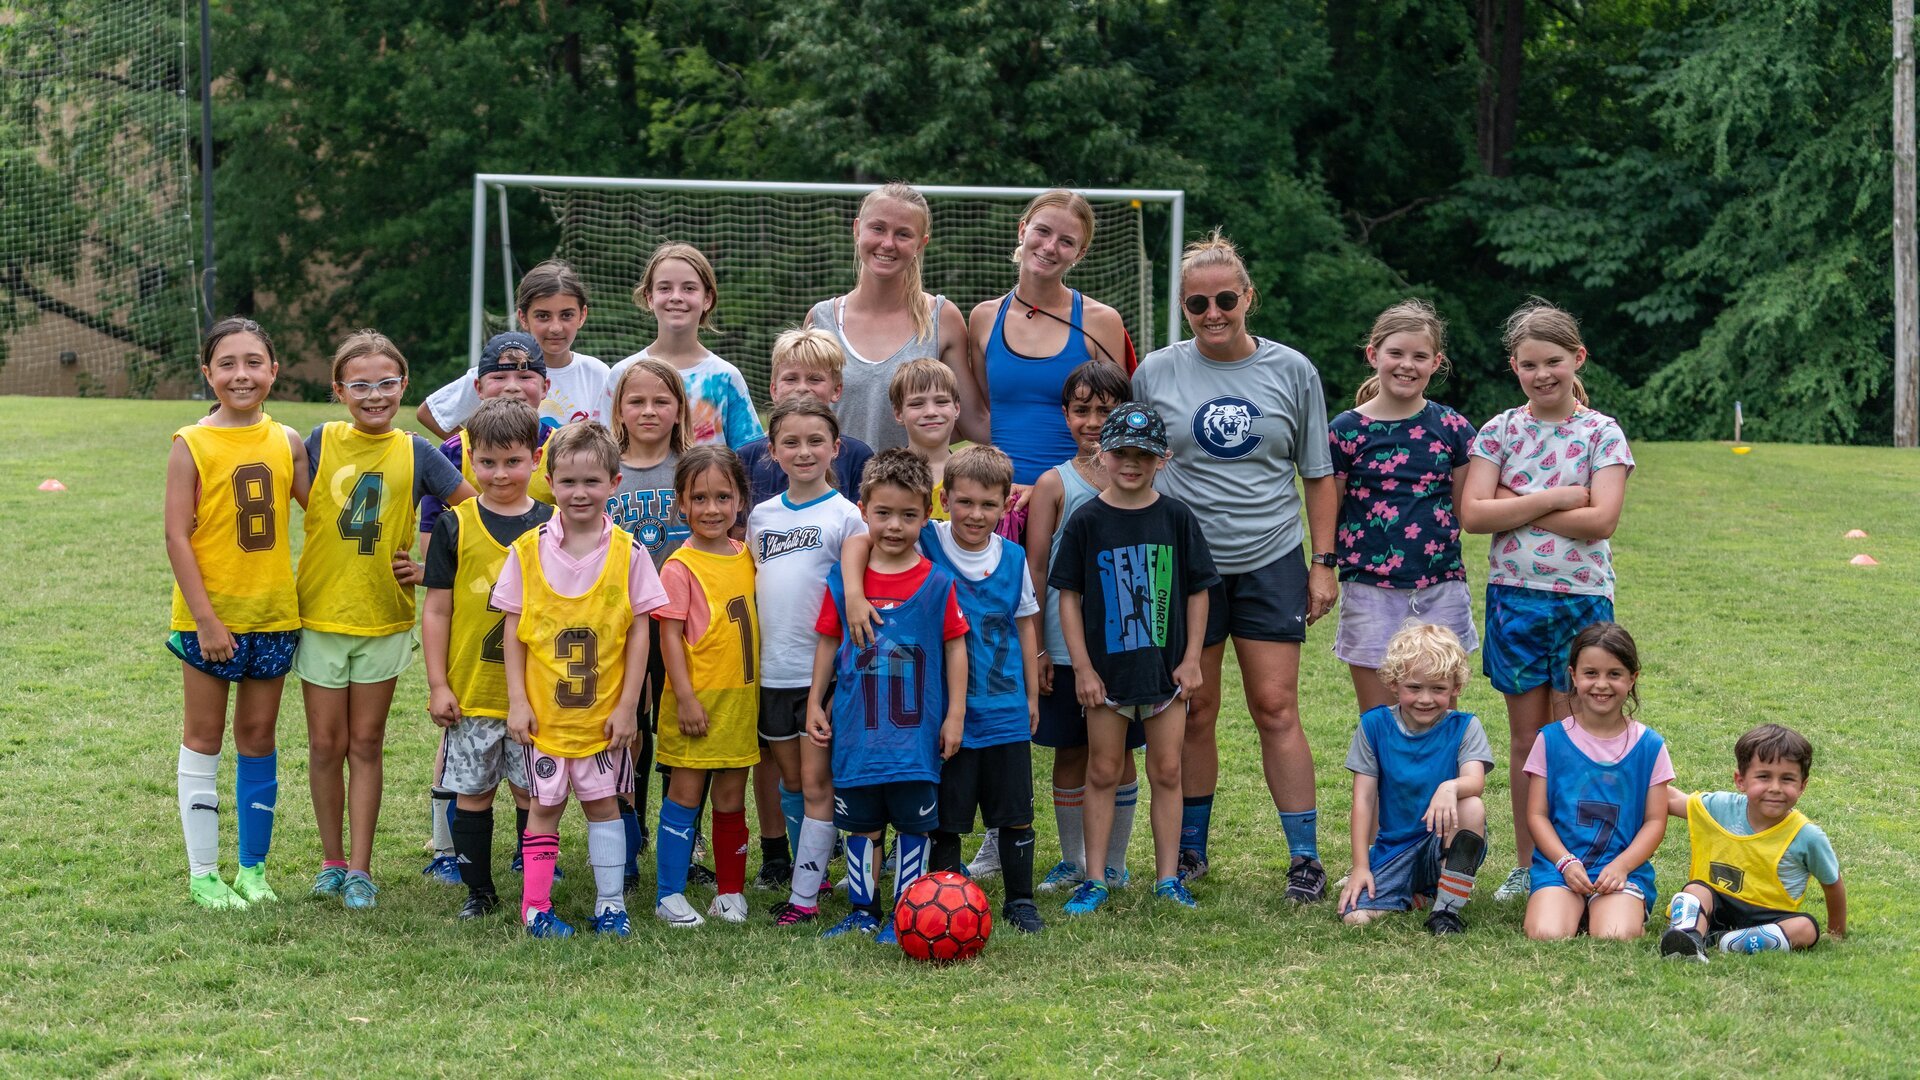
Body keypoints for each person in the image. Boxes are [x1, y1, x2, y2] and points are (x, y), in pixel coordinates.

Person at [1131, 230, 1338, 900]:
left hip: (1271, 557)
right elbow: (1135, 465)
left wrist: (1323, 563)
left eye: (1225, 298)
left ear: (1248, 296)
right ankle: (1190, 851)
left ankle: (1304, 857)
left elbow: (1317, 473)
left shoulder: (1292, 371)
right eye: (1198, 304)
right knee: (1194, 707)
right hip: (1189, 565)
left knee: (1275, 706)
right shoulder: (1157, 371)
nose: (1213, 312)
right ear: (1184, 308)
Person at [1458, 299, 1633, 902]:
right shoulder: (1499, 430)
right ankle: (1530, 865)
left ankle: (1579, 859)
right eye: (1529, 364)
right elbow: (1474, 514)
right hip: (1515, 599)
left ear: (1577, 358)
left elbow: (1603, 520)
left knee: (1575, 733)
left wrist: (1520, 500)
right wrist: (1562, 496)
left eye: (1554, 361)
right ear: (1514, 366)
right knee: (1526, 742)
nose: (1543, 374)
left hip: (1581, 601)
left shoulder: (1601, 432)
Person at [838, 446, 1045, 932]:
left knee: (1014, 813)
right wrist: (851, 593)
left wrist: (1033, 695)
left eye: (988, 504)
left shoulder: (1013, 557)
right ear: (944, 500)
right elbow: (857, 542)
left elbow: (1027, 626)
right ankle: (946, 898)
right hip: (945, 713)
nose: (976, 514)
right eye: (966, 502)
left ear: (1005, 505)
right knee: (946, 818)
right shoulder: (926, 538)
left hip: (1004, 708)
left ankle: (1020, 901)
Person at [296, 330, 469, 910]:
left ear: (404, 386)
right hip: (321, 614)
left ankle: (362, 869)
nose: (375, 395)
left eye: (387, 383)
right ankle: (331, 861)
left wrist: (430, 569)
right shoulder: (318, 443)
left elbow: (477, 514)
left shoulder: (418, 452)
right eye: (361, 385)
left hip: (384, 620)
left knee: (366, 743)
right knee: (325, 744)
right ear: (338, 390)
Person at [494, 423, 668, 938]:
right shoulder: (527, 551)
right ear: (550, 482)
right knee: (544, 807)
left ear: (614, 482)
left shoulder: (630, 553)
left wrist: (629, 705)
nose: (579, 493)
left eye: (592, 481)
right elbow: (513, 632)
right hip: (545, 716)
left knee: (603, 804)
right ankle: (536, 908)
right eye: (567, 482)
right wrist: (517, 701)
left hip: (602, 715)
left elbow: (641, 632)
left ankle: (611, 905)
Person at [164, 317, 309, 910]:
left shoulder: (288, 441)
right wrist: (205, 619)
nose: (241, 374)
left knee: (257, 739)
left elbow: (327, 518)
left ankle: (253, 870)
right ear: (208, 373)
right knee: (203, 739)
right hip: (209, 618)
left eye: (254, 362)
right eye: (227, 363)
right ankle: (204, 874)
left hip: (273, 615)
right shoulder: (190, 443)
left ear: (273, 370)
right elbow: (176, 536)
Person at [1051, 403, 1218, 914]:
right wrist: (1081, 667)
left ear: (1162, 459)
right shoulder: (1087, 520)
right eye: (1121, 452)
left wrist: (1192, 659)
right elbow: (1069, 598)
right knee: (1102, 771)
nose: (1131, 463)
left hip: (1165, 674)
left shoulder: (1175, 517)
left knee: (1167, 770)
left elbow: (1197, 591)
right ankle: (1096, 877)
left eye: (1143, 455)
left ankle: (1168, 878)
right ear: (1102, 455)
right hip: (1106, 677)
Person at [805, 450, 968, 942]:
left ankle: (906, 913)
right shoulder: (845, 582)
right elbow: (828, 641)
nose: (894, 526)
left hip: (914, 738)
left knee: (913, 830)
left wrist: (955, 714)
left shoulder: (938, 582)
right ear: (864, 509)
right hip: (857, 734)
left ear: (927, 513)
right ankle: (861, 911)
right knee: (861, 827)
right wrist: (816, 700)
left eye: (908, 515)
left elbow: (956, 649)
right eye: (883, 513)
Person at [418, 330, 561, 883]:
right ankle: (473, 884)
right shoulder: (458, 522)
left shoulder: (552, 523)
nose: (500, 473)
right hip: (473, 684)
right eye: (487, 463)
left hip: (537, 689)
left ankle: (533, 873)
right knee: (472, 788)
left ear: (535, 460)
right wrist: (438, 683)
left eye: (513, 462)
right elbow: (437, 608)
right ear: (469, 461)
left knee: (531, 787)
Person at [1013, 359, 1145, 894]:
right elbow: (1037, 568)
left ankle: (1112, 862)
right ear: (1065, 414)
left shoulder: (1145, 476)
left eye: (1106, 409)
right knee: (1072, 750)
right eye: (1082, 410)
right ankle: (1073, 859)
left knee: (1122, 755)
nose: (1093, 420)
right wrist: (1041, 650)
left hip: (1126, 645)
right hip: (1066, 649)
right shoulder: (1053, 483)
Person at [747, 397, 867, 927]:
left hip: (824, 673)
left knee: (820, 783)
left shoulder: (846, 516)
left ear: (835, 449)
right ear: (772, 452)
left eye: (816, 441)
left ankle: (809, 889)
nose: (803, 451)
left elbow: (854, 594)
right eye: (790, 442)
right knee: (791, 783)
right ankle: (809, 870)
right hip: (772, 672)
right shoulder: (761, 517)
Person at [1327, 300, 1478, 714]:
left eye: (1419, 356)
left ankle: (1440, 783)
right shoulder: (1345, 431)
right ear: (1373, 355)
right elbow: (1330, 512)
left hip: (1441, 587)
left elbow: (1467, 512)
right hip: (1369, 590)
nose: (1406, 365)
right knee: (1379, 722)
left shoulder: (1453, 428)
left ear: (1436, 363)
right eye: (1396, 353)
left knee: (1435, 715)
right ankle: (1377, 783)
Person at [651, 446, 761, 928]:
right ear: (681, 503)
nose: (711, 508)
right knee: (685, 795)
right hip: (694, 704)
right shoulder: (679, 566)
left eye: (722, 496)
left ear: (740, 500)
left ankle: (730, 892)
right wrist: (687, 698)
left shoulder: (747, 555)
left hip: (741, 702)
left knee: (732, 799)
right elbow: (668, 638)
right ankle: (669, 894)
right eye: (699, 498)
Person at [966, 189, 1133, 486]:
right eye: (1042, 231)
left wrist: (1057, 489)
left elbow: (1114, 422)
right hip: (1000, 499)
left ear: (1079, 254)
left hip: (1076, 496)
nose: (1050, 246)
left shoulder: (1101, 321)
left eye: (1066, 241)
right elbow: (982, 412)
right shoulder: (984, 317)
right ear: (1022, 230)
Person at [1336, 624, 1492, 934]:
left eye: (1438, 689)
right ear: (1394, 684)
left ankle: (1446, 911)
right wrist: (1360, 868)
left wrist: (1450, 787)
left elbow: (1475, 781)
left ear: (1456, 688)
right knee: (1356, 917)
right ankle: (1416, 895)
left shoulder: (1466, 727)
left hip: (1442, 840)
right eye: (1414, 687)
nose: (1425, 699)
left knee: (1471, 806)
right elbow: (1363, 801)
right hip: (1396, 847)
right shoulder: (1374, 726)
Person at [1523, 622, 1670, 941]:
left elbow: (1655, 821)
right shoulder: (1550, 740)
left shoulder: (1650, 746)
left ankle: (1618, 910)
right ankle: (1571, 905)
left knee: (1614, 935)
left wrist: (1621, 866)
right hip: (1561, 868)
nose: (1601, 684)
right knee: (1546, 933)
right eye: (1591, 673)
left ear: (1633, 679)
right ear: (1573, 675)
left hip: (1621, 870)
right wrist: (1564, 862)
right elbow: (1536, 815)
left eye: (1614, 674)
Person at [604, 355, 692, 885]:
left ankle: (682, 838)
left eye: (661, 401)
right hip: (622, 623)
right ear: (618, 408)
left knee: (679, 727)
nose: (649, 410)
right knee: (630, 729)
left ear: (680, 409)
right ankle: (627, 837)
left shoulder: (694, 464)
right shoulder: (605, 465)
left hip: (683, 623)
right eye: (636, 401)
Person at [806, 183, 973, 453]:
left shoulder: (942, 318)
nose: (887, 243)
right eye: (878, 228)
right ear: (857, 229)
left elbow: (971, 420)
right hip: (836, 490)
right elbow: (798, 416)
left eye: (903, 234)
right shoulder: (822, 319)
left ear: (921, 244)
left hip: (912, 490)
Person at [1659, 724, 1846, 960]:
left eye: (1787, 779)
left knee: (1807, 927)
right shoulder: (1719, 808)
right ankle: (1688, 937)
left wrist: (1836, 933)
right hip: (1715, 909)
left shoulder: (1807, 836)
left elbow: (1832, 883)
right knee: (1696, 890)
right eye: (1763, 777)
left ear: (1802, 785)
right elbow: (1671, 799)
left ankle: (1732, 943)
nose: (1775, 788)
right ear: (1741, 780)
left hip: (1769, 920)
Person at [416, 259, 608, 438]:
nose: (555, 327)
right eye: (543, 316)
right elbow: (431, 413)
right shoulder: (498, 371)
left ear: (582, 315)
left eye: (566, 315)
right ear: (523, 318)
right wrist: (475, 450)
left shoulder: (597, 373)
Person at [603, 242, 762, 449]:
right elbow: (604, 456)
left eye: (688, 288)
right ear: (649, 297)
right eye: (665, 288)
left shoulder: (726, 377)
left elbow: (752, 460)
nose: (676, 297)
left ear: (707, 299)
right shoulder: (623, 373)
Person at [737, 327, 876, 506]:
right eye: (791, 379)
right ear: (774, 390)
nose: (802, 388)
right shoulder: (748, 457)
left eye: (815, 379)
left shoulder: (857, 456)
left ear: (836, 390)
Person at [889, 358, 961, 520]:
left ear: (956, 408)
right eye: (917, 404)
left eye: (941, 402)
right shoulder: (885, 477)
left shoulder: (972, 474)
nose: (930, 412)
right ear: (899, 413)